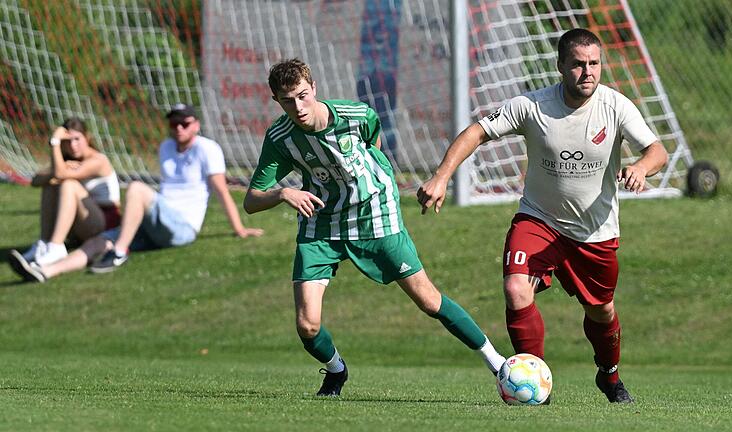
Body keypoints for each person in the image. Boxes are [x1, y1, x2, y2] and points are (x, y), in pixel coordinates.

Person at [417, 28, 669, 404]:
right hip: (539, 221)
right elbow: (477, 132)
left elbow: (657, 150)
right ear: (560, 66)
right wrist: (441, 177)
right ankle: (534, 385)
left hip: (594, 231)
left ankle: (610, 376)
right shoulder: (532, 105)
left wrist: (641, 167)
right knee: (516, 289)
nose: (588, 72)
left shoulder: (615, 106)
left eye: (594, 64)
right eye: (578, 64)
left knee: (601, 311)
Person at [243, 58, 507, 397]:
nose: (298, 106)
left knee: (428, 301)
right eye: (287, 100)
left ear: (314, 89)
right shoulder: (281, 137)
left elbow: (373, 145)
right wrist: (283, 192)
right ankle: (336, 370)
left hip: (375, 214)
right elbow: (251, 201)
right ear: (276, 101)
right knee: (307, 325)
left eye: (303, 95)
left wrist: (370, 185)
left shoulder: (355, 115)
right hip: (322, 221)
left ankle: (497, 363)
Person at [11, 103, 263, 283]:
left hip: (182, 227)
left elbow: (221, 190)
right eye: (173, 123)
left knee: (136, 188)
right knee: (97, 243)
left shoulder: (208, 149)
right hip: (154, 221)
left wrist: (239, 229)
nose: (178, 129)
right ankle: (44, 270)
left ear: (196, 125)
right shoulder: (166, 146)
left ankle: (119, 253)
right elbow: (45, 178)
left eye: (184, 123)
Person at [9, 118, 121, 273]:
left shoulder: (98, 160)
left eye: (77, 139)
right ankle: (45, 244)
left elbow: (61, 173)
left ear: (87, 138)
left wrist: (54, 142)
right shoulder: (69, 159)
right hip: (82, 225)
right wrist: (59, 169)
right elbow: (36, 181)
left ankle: (56, 248)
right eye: (67, 141)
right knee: (51, 184)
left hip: (104, 225)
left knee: (68, 183)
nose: (73, 145)